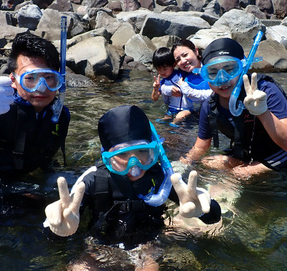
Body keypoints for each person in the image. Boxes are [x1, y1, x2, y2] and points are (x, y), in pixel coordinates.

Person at [44, 105, 221, 270]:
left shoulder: (162, 177)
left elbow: (211, 217)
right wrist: (58, 232)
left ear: (154, 151)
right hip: (98, 246)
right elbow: (56, 226)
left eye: (142, 152)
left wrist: (204, 209)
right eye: (122, 155)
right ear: (107, 156)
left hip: (148, 246)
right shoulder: (93, 179)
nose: (134, 166)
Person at [181, 37, 287, 180]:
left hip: (281, 151)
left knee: (238, 174)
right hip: (247, 153)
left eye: (230, 69)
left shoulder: (265, 91)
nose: (222, 79)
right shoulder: (210, 106)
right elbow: (200, 147)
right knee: (208, 163)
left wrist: (263, 112)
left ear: (243, 67)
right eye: (212, 72)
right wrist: (183, 163)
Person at [0, 32, 70, 181]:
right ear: (13, 79)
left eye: (49, 78)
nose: (40, 88)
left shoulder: (60, 114)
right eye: (30, 78)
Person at [151, 47, 212, 124]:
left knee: (180, 116)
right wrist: (155, 89)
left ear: (173, 64)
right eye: (158, 69)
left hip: (188, 109)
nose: (161, 72)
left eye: (165, 69)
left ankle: (174, 124)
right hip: (172, 109)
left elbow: (196, 74)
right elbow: (154, 98)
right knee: (164, 120)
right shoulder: (162, 82)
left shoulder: (182, 74)